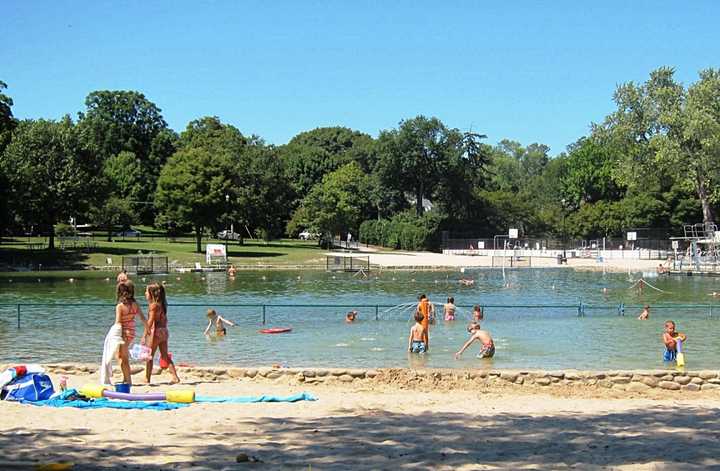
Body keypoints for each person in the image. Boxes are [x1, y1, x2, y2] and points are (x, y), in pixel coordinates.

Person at [144, 282, 180, 384]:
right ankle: (175, 376)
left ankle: (147, 378)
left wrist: (144, 335)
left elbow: (150, 321)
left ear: (152, 293)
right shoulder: (162, 304)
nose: (145, 294)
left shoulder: (153, 306)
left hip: (156, 332)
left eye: (146, 291)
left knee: (149, 356)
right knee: (165, 355)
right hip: (164, 331)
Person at [115, 281, 148, 385]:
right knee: (119, 355)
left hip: (123, 333)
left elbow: (118, 322)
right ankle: (126, 377)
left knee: (123, 357)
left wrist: (114, 334)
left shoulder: (120, 307)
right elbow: (142, 318)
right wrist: (148, 329)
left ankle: (128, 380)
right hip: (132, 332)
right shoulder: (135, 304)